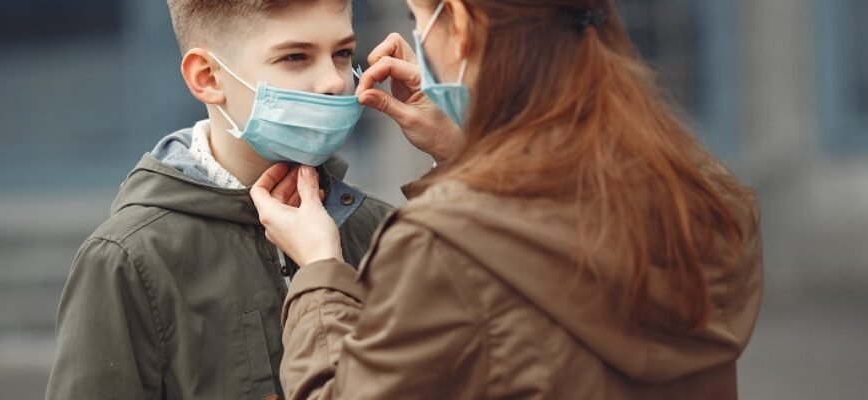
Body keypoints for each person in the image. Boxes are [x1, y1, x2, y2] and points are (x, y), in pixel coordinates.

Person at [251, 0, 763, 399]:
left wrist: (320, 272)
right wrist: (467, 153)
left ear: (459, 22)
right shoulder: (701, 196)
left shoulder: (444, 245)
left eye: (417, 20)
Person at [45, 1, 391, 399]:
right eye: (295, 57)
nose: (334, 81)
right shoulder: (128, 259)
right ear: (207, 77)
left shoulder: (383, 232)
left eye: (343, 53)